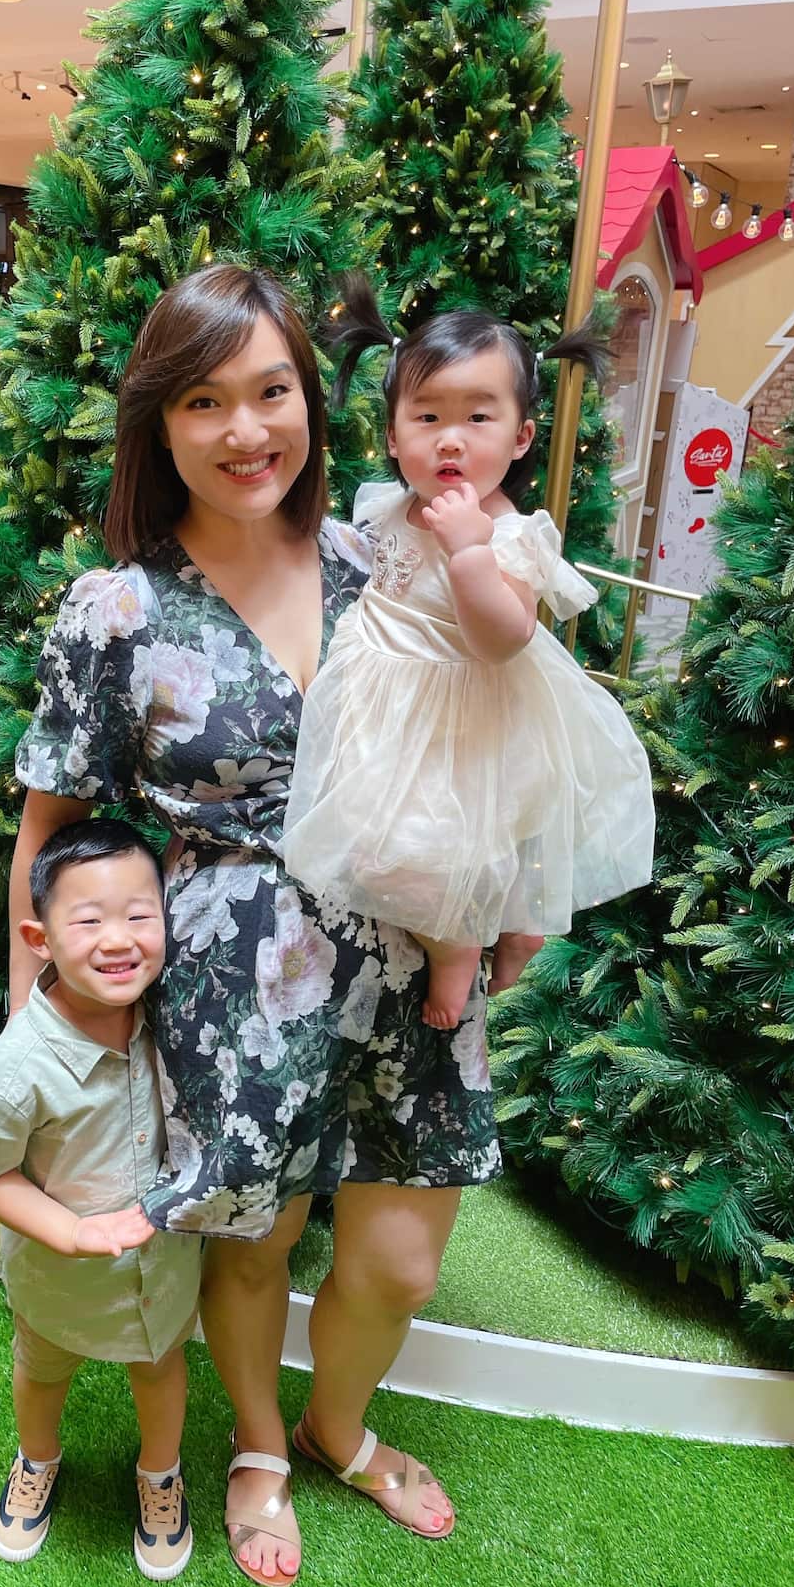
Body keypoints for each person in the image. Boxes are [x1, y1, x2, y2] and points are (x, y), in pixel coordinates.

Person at [10, 264, 497, 1587]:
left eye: (271, 389)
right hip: (236, 975)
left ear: (311, 401)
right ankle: (265, 1446)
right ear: (158, 422)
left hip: (410, 957)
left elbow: (482, 737)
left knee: (396, 1262)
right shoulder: (115, 607)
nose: (244, 428)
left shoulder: (382, 559)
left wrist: (505, 899)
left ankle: (344, 1422)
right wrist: (31, 1024)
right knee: (255, 1238)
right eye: (205, 398)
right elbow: (48, 828)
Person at [284, 276, 655, 1028]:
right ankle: (513, 925)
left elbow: (504, 637)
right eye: (426, 416)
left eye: (478, 416)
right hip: (387, 696)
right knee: (376, 832)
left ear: (521, 437)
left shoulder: (510, 535)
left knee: (443, 848)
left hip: (462, 716)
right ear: (392, 435)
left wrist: (469, 555)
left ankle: (461, 951)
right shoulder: (386, 504)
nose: (450, 438)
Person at [0, 817, 200, 1581]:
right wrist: (67, 1230)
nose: (118, 939)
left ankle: (161, 1475)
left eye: (139, 914)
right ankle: (37, 1460)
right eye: (88, 920)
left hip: (161, 1270)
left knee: (161, 1368)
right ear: (39, 936)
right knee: (42, 1369)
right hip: (56, 1278)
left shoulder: (175, 1018)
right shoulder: (17, 1065)